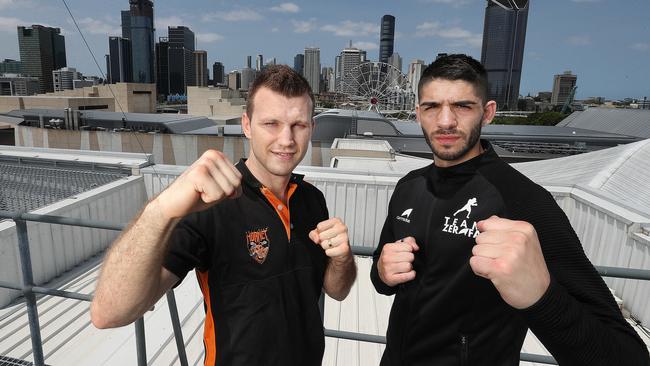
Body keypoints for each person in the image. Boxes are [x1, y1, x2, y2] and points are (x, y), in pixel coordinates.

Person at [370, 54, 649, 365]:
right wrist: (382, 272)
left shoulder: (524, 201)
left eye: (463, 106)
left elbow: (628, 356)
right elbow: (380, 279)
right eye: (432, 107)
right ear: (418, 113)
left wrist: (541, 297)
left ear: (487, 113)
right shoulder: (409, 186)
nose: (445, 121)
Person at [91, 65, 357, 365]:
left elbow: (337, 291)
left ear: (312, 128)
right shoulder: (211, 203)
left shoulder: (312, 199)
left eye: (299, 125)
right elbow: (108, 313)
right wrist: (160, 210)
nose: (287, 139)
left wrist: (342, 259)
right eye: (271, 123)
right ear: (246, 125)